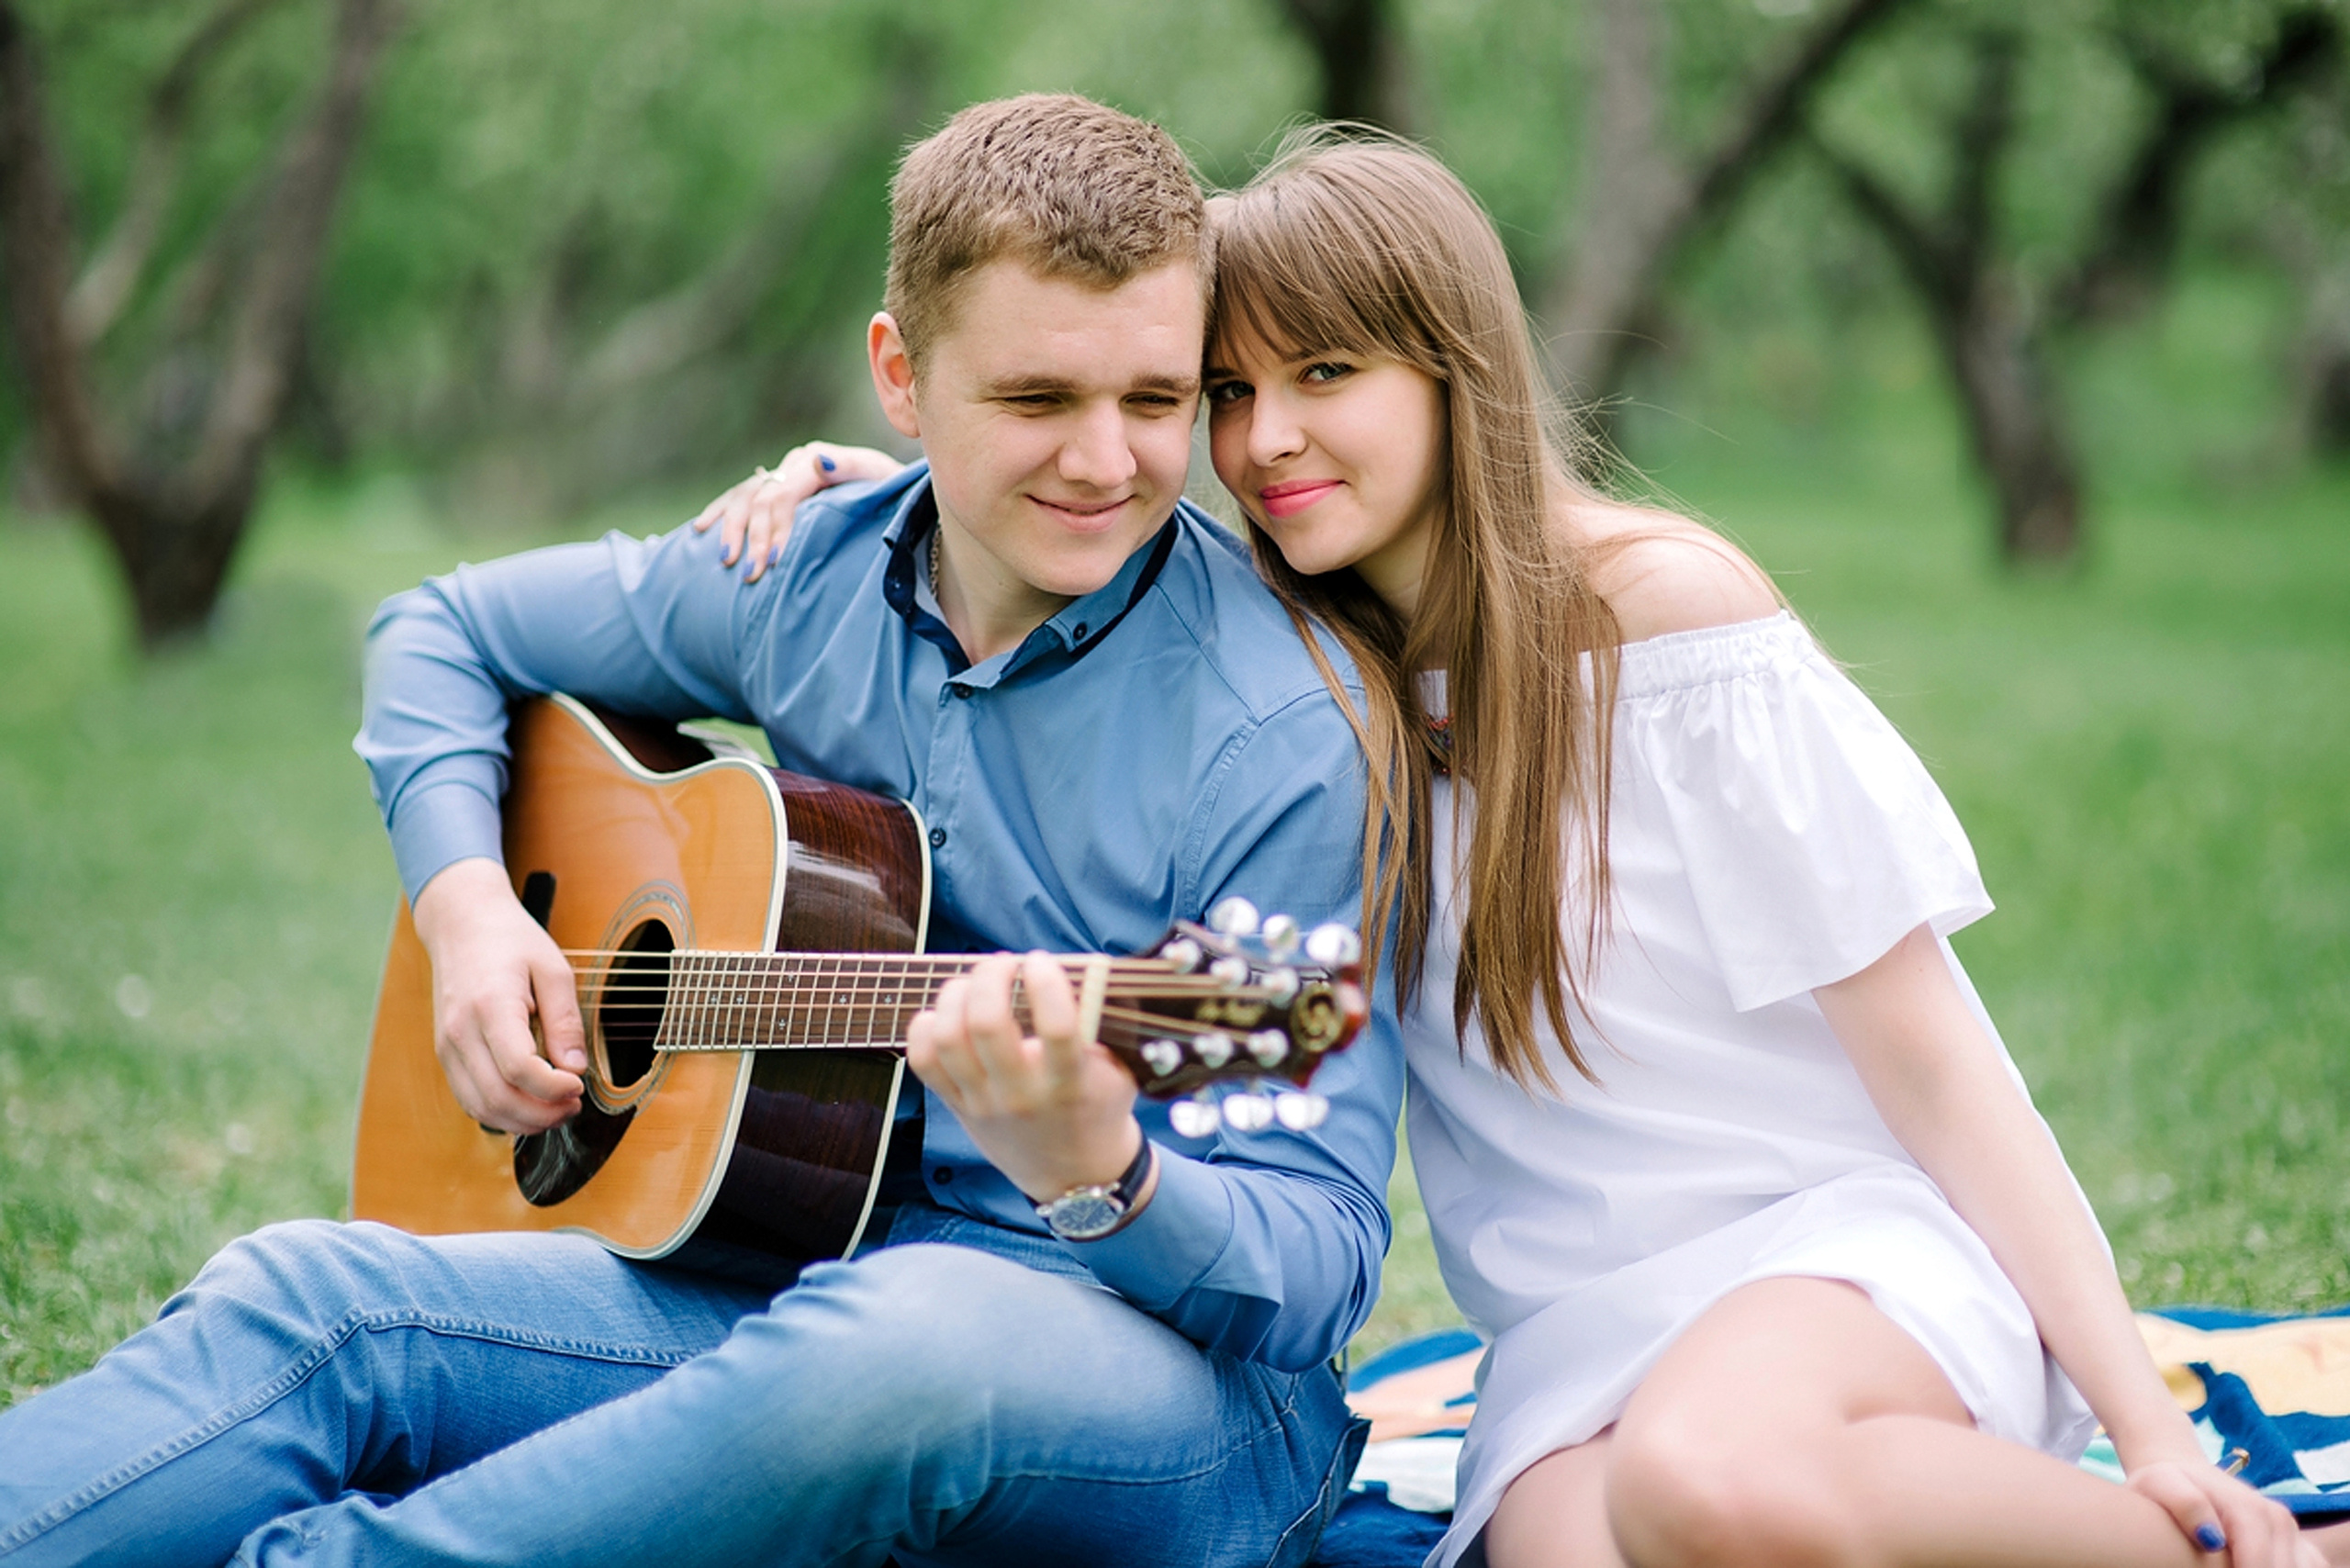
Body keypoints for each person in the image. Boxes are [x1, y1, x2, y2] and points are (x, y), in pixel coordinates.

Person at [711, 129, 2344, 1568]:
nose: (1269, 437)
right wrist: (910, 487)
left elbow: (1941, 1068)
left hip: (1824, 1258)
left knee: (1719, 1485)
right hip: (1570, 1335)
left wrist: (2149, 1424)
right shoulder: (1303, 668)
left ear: (1452, 370)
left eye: (1329, 374)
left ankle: (2205, 1556)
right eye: (1229, 392)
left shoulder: (1666, 619)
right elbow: (1067, 524)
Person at [0, 96, 1404, 1568]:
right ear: (901, 379)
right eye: (1039, 401)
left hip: (1174, 1396)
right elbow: (443, 630)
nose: (1106, 462)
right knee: (318, 1303)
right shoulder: (800, 571)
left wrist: (1105, 1171)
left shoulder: (1287, 730)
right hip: (788, 1283)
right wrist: (471, 913)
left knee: (902, 1346)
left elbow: (1316, 1268)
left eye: (1158, 400)